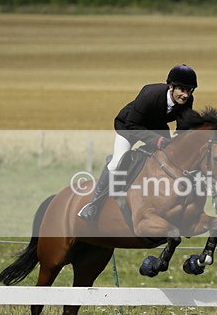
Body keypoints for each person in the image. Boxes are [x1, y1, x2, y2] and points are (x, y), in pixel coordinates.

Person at [78, 64, 198, 220]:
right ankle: (93, 204)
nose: (186, 95)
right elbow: (132, 125)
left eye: (189, 91)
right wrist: (158, 140)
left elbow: (183, 127)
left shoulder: (187, 100)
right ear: (171, 86)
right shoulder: (150, 93)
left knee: (166, 159)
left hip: (155, 127)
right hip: (129, 126)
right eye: (182, 90)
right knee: (116, 163)